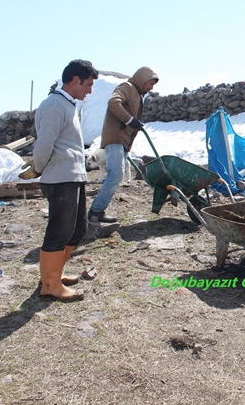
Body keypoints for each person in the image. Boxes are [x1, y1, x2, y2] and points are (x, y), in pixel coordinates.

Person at [19, 59, 99, 302]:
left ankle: (54, 275)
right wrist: (40, 168)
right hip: (60, 178)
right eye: (88, 84)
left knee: (77, 230)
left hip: (72, 177)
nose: (90, 90)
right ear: (75, 80)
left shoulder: (67, 104)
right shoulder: (55, 105)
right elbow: (43, 145)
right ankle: (50, 285)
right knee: (59, 231)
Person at [88, 66, 159, 223]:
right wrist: (129, 120)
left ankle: (97, 211)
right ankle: (96, 211)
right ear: (142, 79)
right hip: (115, 137)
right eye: (150, 84)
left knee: (116, 174)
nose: (151, 88)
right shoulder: (127, 87)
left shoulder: (137, 95)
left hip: (123, 139)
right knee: (116, 174)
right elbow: (113, 102)